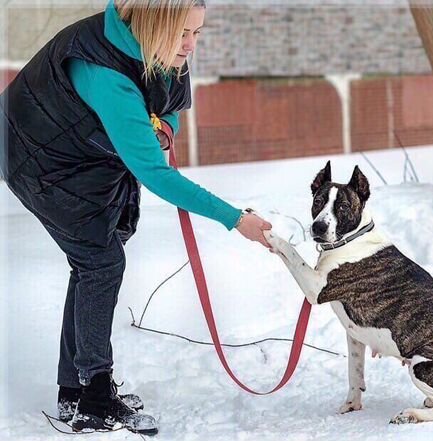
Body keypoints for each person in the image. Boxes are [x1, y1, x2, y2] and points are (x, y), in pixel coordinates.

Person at [0, 0, 272, 434]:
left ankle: (76, 389)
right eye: (184, 33)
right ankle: (93, 397)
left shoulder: (164, 48)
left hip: (83, 152)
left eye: (198, 33)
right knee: (100, 261)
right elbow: (156, 175)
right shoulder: (106, 76)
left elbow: (167, 110)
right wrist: (235, 219)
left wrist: (162, 128)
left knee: (95, 261)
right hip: (37, 158)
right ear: (153, 26)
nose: (191, 46)